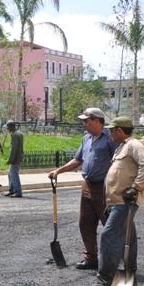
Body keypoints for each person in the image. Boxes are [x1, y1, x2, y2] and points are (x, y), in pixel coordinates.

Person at [47, 107, 118, 272]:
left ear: (97, 120)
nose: (84, 124)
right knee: (85, 224)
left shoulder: (110, 139)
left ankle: (112, 262)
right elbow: (78, 160)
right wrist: (59, 171)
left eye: (86, 121)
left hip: (104, 188)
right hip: (87, 186)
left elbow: (118, 162)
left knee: (109, 226)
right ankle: (91, 258)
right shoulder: (86, 138)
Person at [92, 116, 144, 286]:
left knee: (109, 236)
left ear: (119, 130)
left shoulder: (134, 145)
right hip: (117, 201)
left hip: (125, 201)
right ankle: (129, 277)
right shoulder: (122, 147)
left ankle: (105, 278)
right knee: (129, 239)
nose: (109, 134)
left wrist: (136, 188)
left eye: (111, 131)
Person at [4, 120, 24, 198]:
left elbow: (14, 149)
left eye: (8, 127)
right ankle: (11, 190)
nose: (7, 129)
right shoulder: (19, 133)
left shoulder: (15, 135)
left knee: (14, 175)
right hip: (19, 157)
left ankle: (18, 192)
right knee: (10, 174)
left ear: (11, 127)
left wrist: (10, 159)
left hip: (15, 158)